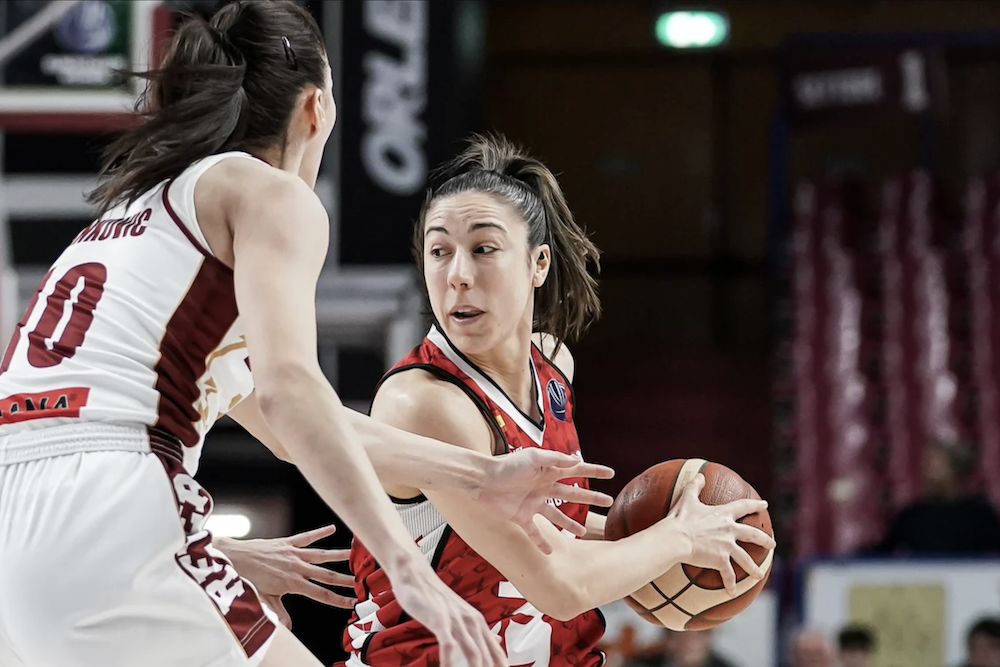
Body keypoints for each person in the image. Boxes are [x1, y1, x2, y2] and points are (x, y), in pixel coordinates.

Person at [0, 3, 618, 667]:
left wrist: (481, 472)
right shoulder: (271, 195)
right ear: (316, 109)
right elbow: (295, 391)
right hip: (120, 496)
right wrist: (407, 567)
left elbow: (290, 422)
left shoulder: (134, 213)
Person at [334, 134, 776, 667]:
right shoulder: (425, 403)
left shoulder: (552, 367)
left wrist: (665, 528)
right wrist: (680, 538)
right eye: (439, 250)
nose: (458, 275)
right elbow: (558, 585)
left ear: (538, 264)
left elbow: (557, 528)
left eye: (483, 248)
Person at [873, 439, 1000, 554]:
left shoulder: (980, 514)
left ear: (956, 467)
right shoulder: (912, 515)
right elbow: (881, 552)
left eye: (933, 463)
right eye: (926, 463)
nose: (926, 470)